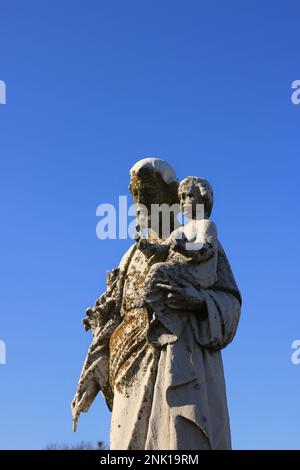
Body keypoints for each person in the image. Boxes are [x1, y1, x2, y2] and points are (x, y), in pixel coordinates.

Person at [72, 158, 242, 450]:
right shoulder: (129, 257)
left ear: (170, 199)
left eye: (149, 199)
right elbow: (110, 321)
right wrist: (92, 376)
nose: (140, 208)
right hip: (128, 372)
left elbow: (231, 303)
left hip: (179, 365)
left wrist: (199, 302)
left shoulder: (195, 240)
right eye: (136, 201)